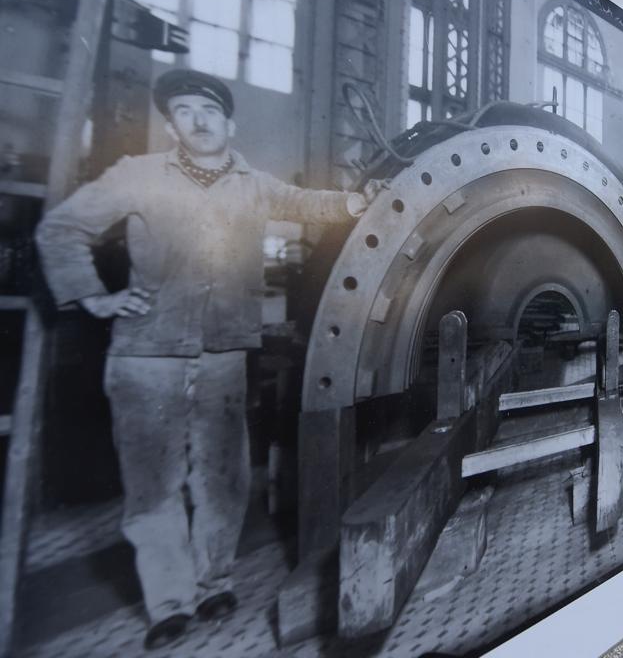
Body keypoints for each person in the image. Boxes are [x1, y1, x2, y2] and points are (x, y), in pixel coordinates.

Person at [35, 69, 378, 650]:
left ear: (230, 123)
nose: (199, 120)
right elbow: (61, 228)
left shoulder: (252, 183)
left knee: (222, 481)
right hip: (148, 356)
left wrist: (355, 200)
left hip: (223, 355)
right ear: (171, 125)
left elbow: (306, 203)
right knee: (154, 486)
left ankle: (214, 581)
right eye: (186, 111)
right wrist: (94, 295)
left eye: (209, 111)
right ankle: (170, 603)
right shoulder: (139, 177)